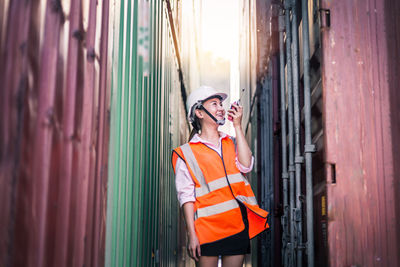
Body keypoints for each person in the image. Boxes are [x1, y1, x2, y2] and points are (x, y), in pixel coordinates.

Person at [171, 86, 269, 267]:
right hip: (206, 230)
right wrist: (192, 235)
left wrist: (238, 126)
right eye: (214, 104)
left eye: (221, 103)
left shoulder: (231, 141)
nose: (221, 108)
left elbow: (246, 166)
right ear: (199, 112)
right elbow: (186, 197)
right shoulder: (186, 153)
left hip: (236, 226)